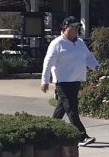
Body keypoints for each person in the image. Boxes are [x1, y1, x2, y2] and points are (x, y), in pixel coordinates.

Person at [40, 16, 100, 145]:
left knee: (61, 109)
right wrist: (44, 81)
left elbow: (88, 57)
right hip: (63, 82)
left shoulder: (80, 42)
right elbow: (48, 62)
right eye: (73, 27)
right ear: (66, 28)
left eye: (78, 27)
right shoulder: (57, 43)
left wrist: (96, 66)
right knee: (71, 109)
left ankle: (48, 134)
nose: (76, 29)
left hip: (76, 81)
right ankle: (82, 136)